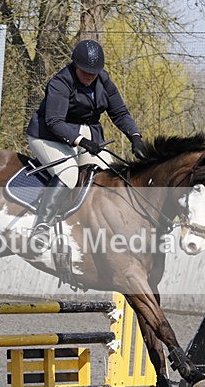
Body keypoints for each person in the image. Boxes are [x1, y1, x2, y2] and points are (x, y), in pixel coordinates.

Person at [26, 39, 146, 245]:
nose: (90, 76)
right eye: (85, 71)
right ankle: (41, 226)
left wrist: (135, 136)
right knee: (69, 173)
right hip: (48, 135)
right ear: (75, 65)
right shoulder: (61, 82)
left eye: (94, 72)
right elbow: (54, 122)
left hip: (85, 134)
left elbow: (119, 112)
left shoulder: (103, 80)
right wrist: (81, 140)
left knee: (107, 173)